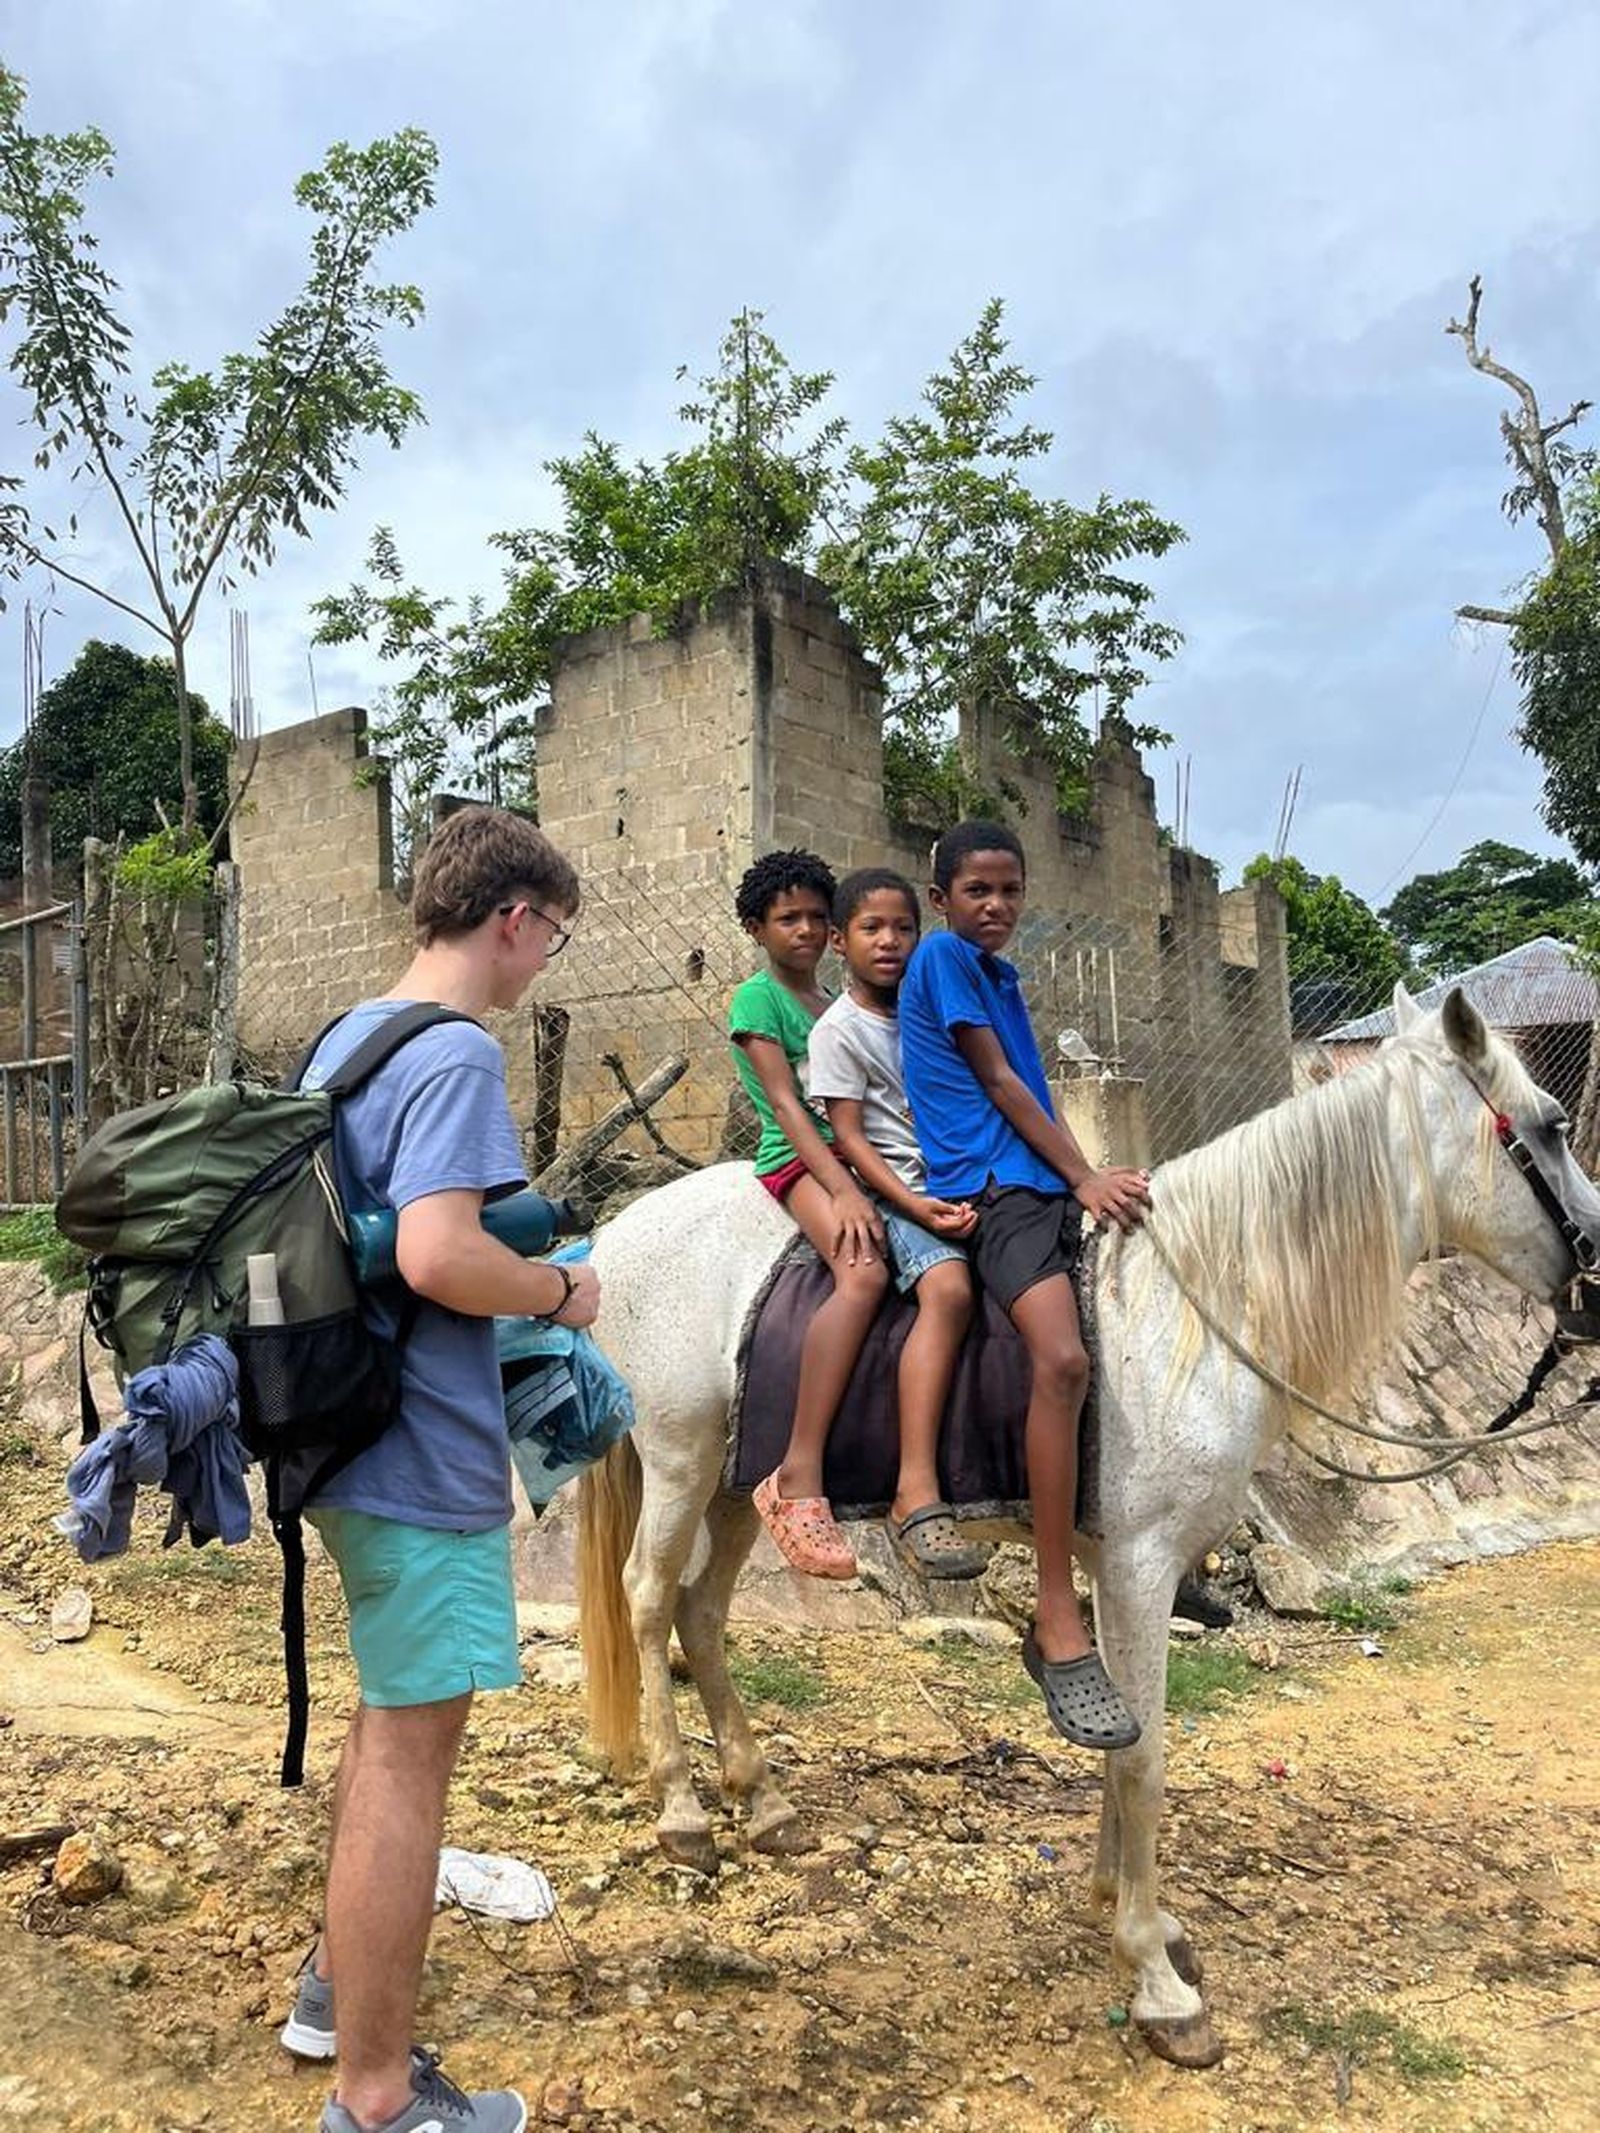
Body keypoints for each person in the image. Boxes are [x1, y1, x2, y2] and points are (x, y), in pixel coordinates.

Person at [279, 806, 596, 2133]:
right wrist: (562, 1290)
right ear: (512, 917)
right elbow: (435, 1256)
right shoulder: (457, 1051)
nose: (542, 971)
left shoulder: (344, 1036)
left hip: (340, 1439)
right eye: (551, 942)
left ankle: (328, 1993)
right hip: (418, 1452)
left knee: (383, 1726)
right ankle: (373, 2102)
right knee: (413, 1754)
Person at [898, 820, 1151, 1750]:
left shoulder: (1003, 975)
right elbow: (1002, 1085)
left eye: (1010, 890)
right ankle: (1054, 1610)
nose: (996, 906)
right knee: (1062, 1357)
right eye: (978, 891)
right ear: (942, 901)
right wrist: (1086, 1176)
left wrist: (1077, 1178)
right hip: (993, 1186)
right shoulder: (944, 960)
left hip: (1037, 1181)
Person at [806, 866, 988, 1580]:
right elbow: (847, 1137)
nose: (890, 941)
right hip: (894, 1192)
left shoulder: (932, 1013)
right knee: (947, 1290)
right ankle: (915, 1489)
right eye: (871, 928)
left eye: (904, 927)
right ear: (837, 941)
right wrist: (911, 1206)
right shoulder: (839, 1031)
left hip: (960, 1180)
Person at [728, 848, 886, 1580]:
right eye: (789, 917)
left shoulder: (837, 1006)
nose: (807, 929)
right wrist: (844, 1188)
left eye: (819, 917)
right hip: (797, 1160)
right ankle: (798, 1473)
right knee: (861, 1274)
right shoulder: (758, 1001)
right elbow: (788, 1107)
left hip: (860, 1152)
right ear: (757, 927)